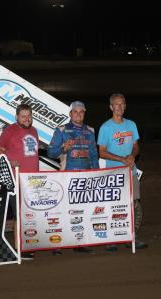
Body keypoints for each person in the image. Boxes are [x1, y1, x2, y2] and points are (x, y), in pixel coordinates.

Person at [47, 100, 99, 255]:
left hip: (85, 177)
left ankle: (79, 242)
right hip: (66, 176)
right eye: (75, 112)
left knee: (81, 211)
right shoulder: (62, 130)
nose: (78, 114)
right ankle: (57, 244)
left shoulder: (90, 131)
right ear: (70, 114)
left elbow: (94, 155)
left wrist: (96, 174)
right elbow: (50, 153)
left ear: (84, 113)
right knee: (62, 211)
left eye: (81, 112)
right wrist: (63, 148)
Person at [97, 93, 148, 250]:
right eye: (116, 104)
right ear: (111, 107)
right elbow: (102, 152)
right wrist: (122, 159)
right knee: (113, 206)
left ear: (125, 106)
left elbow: (136, 146)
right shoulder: (105, 127)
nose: (119, 107)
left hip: (130, 172)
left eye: (122, 104)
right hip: (113, 174)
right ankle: (111, 239)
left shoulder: (131, 124)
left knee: (132, 205)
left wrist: (132, 156)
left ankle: (130, 237)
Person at [0, 104, 39, 260]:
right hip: (16, 179)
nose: (27, 119)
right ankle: (17, 248)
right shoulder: (10, 131)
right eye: (23, 116)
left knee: (29, 215)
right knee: (19, 214)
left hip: (33, 181)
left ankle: (25, 244)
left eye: (29, 116)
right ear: (17, 117)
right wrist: (9, 160)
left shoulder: (34, 131)